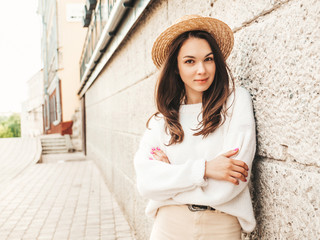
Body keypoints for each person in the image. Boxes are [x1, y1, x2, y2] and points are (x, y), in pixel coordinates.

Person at [134, 15, 256, 240]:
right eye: (190, 61)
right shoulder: (161, 121)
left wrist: (171, 174)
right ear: (176, 69)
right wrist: (205, 169)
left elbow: (230, 185)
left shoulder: (236, 103)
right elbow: (146, 183)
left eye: (208, 59)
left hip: (221, 227)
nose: (201, 70)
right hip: (168, 227)